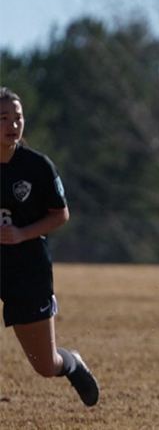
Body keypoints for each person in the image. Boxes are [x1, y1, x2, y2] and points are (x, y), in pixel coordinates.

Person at [0, 87, 100, 407]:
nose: (12, 125)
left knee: (45, 365)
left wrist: (21, 233)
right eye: (4, 118)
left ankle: (72, 364)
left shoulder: (37, 166)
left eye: (17, 118)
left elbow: (61, 215)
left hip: (27, 268)